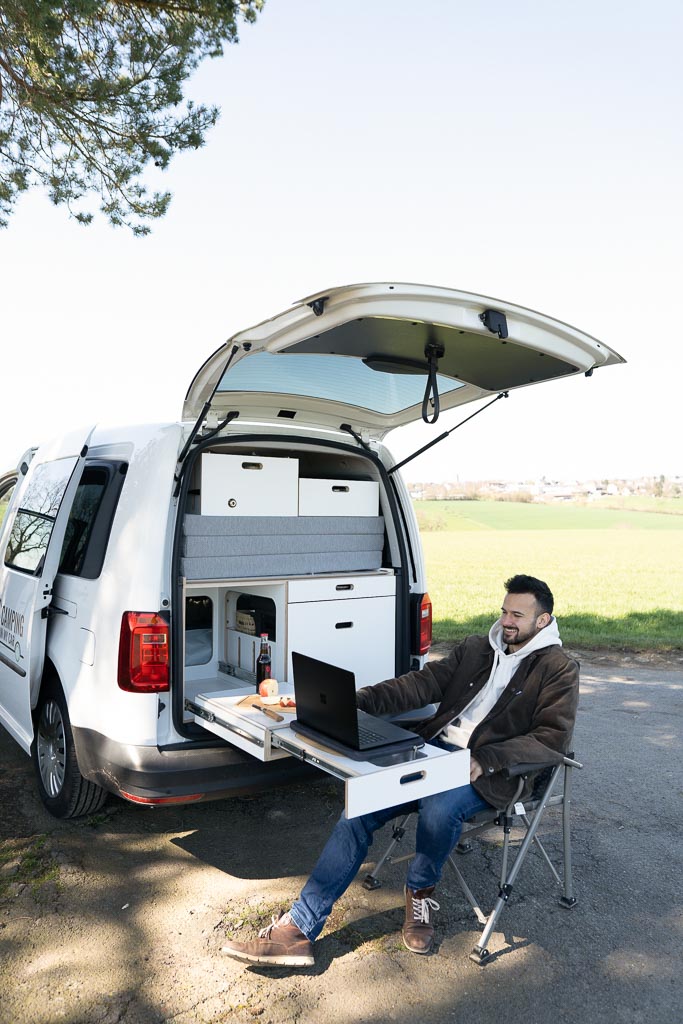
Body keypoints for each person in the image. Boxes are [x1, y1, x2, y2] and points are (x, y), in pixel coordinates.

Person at [222, 574, 579, 967]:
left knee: (441, 807)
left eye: (518, 615)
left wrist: (486, 759)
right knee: (358, 809)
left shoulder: (558, 668)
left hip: (491, 771)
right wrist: (357, 703)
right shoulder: (478, 648)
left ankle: (421, 892)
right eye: (504, 611)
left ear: (542, 621)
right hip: (432, 752)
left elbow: (551, 738)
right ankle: (299, 929)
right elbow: (421, 684)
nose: (507, 621)